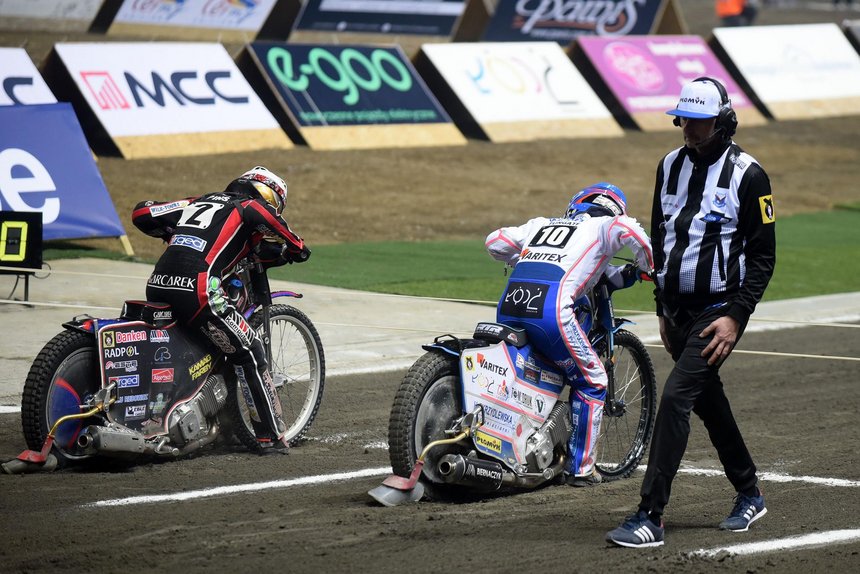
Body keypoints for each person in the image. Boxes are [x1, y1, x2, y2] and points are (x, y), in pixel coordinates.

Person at [605, 77, 776, 548]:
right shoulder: (668, 166)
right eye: (684, 120)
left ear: (723, 123)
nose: (688, 129)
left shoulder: (749, 175)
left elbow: (764, 257)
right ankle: (750, 492)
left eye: (699, 122)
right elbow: (660, 238)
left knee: (677, 398)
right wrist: (662, 307)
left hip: (719, 312)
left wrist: (736, 316)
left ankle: (650, 515)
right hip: (677, 312)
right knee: (708, 402)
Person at [131, 166, 311, 455]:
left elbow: (142, 213)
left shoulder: (198, 202)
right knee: (249, 349)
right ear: (267, 194)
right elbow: (270, 221)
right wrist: (297, 247)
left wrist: (173, 233)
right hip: (197, 289)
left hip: (158, 284)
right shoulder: (248, 205)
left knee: (191, 346)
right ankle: (271, 438)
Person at [485, 183, 653, 486]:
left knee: (523, 373)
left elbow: (495, 241)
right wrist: (651, 266)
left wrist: (525, 258)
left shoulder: (542, 224)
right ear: (614, 209)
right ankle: (581, 469)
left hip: (510, 305)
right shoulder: (604, 226)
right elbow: (632, 231)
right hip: (550, 313)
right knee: (593, 380)